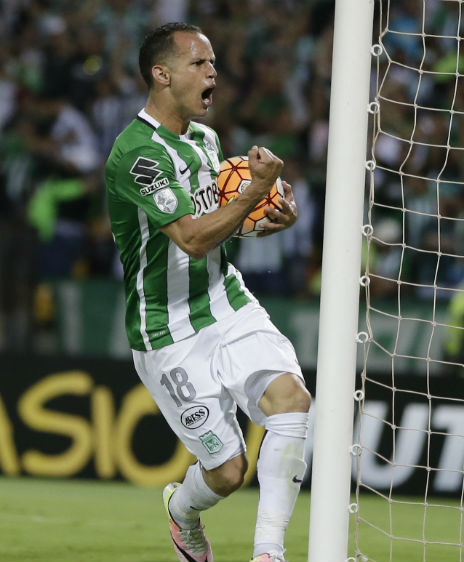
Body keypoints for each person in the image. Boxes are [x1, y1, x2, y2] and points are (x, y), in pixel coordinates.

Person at [104, 23, 310, 562]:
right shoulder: (136, 155)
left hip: (225, 301)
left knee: (291, 402)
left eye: (214, 62)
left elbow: (219, 224)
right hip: (166, 330)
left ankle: (269, 552)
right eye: (199, 63)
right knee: (227, 472)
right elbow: (193, 238)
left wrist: (267, 222)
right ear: (162, 73)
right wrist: (257, 192)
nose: (213, 71)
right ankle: (181, 512)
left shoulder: (206, 140)